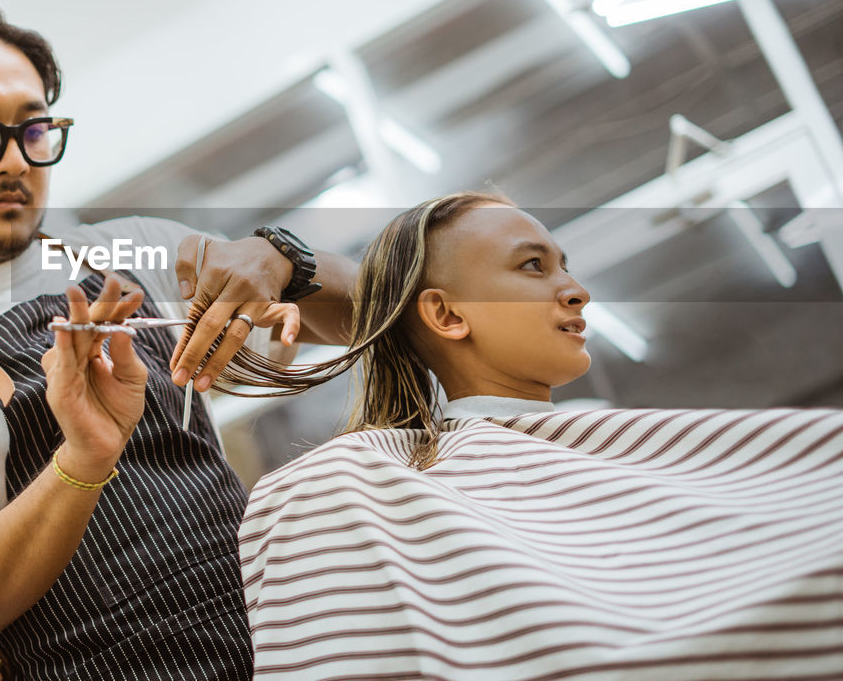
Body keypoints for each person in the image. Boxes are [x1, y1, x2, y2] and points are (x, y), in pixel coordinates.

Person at [0, 0, 356, 679]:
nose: (15, 162)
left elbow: (366, 315)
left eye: (34, 131)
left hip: (287, 645)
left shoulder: (136, 248)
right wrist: (83, 458)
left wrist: (284, 260)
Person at [235, 192, 843, 680]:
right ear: (447, 315)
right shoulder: (364, 485)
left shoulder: (607, 446)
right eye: (533, 266)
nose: (577, 290)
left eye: (565, 266)